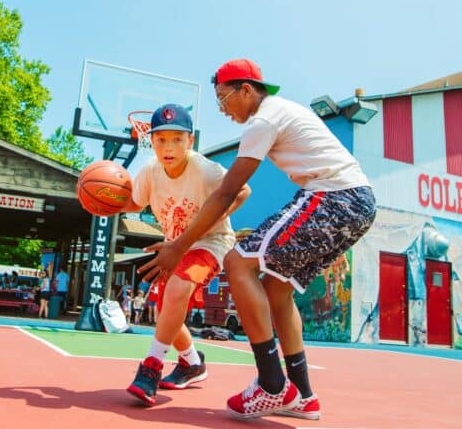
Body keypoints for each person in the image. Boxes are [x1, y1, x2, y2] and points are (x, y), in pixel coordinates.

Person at [138, 59, 377, 420]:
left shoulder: (264, 120)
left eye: (223, 99)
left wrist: (178, 246)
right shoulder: (280, 114)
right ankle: (303, 395)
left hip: (333, 196)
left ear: (246, 90)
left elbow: (225, 193)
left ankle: (271, 385)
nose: (223, 109)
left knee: (237, 261)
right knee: (276, 289)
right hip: (358, 204)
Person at [121, 103, 250, 407]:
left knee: (178, 288)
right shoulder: (150, 172)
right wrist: (102, 200)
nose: (168, 146)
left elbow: (242, 191)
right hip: (175, 245)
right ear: (149, 140)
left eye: (177, 139)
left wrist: (212, 220)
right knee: (167, 311)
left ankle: (151, 367)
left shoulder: (205, 170)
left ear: (190, 141)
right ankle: (192, 363)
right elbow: (134, 203)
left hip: (211, 242)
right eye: (161, 139)